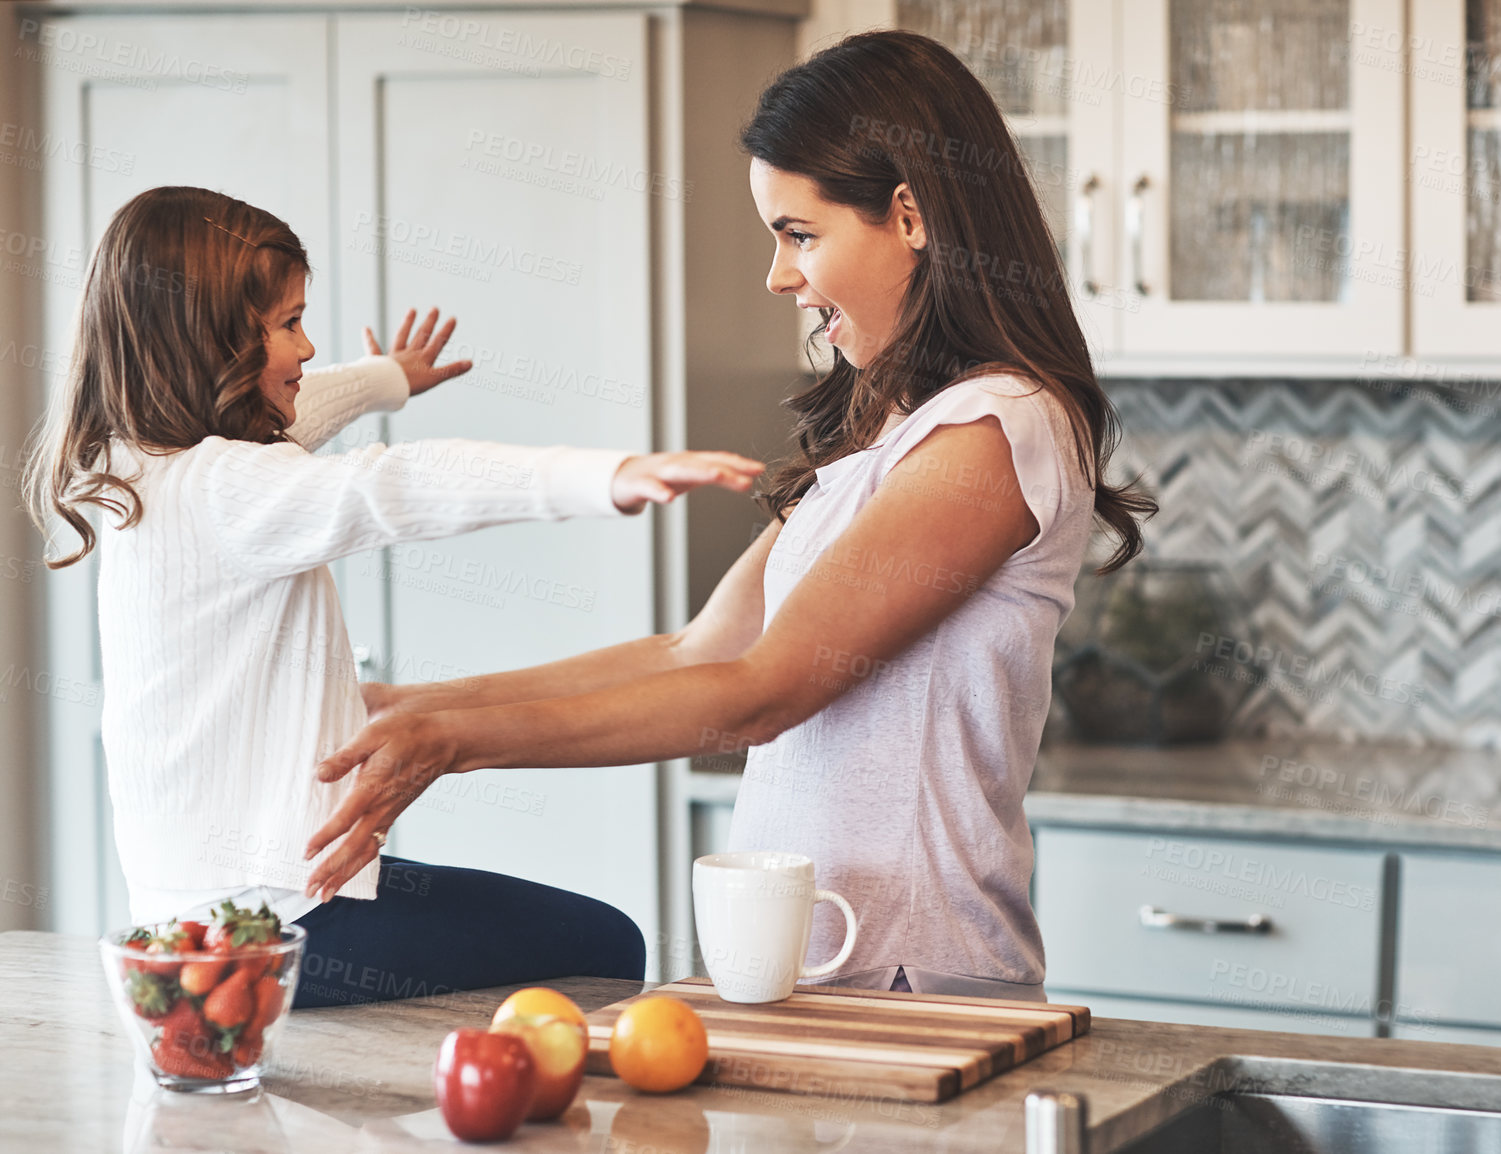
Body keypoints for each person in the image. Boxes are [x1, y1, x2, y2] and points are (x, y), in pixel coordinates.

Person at [301, 30, 1157, 1000]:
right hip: (810, 968)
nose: (778, 275)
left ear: (910, 215)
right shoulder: (886, 430)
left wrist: (458, 743)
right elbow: (694, 652)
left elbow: (763, 691)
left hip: (913, 977)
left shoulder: (995, 431)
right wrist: (414, 707)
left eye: (799, 232)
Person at [25, 186, 763, 1005]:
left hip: (191, 916)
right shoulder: (230, 489)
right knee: (604, 944)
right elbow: (394, 484)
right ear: (213, 340)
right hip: (275, 927)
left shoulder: (143, 466)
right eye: (288, 324)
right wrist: (605, 477)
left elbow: (303, 417)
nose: (307, 349)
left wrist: (386, 378)